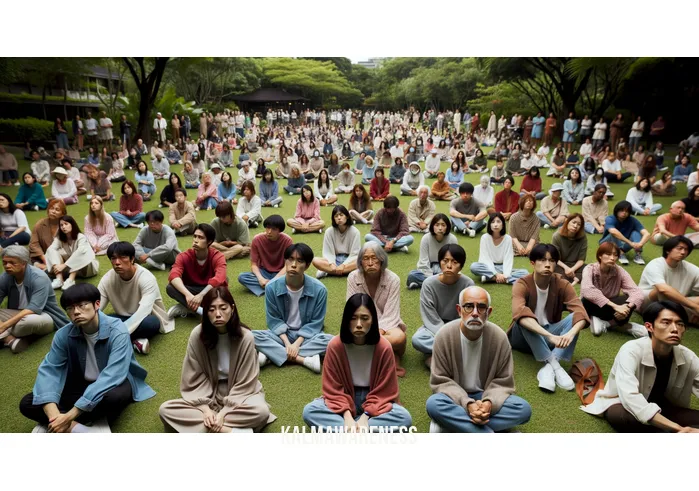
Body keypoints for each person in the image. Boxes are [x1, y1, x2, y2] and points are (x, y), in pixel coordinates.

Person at [19, 283, 156, 433]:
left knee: (113, 398)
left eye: (81, 305)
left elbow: (113, 375)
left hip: (113, 384)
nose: (76, 312)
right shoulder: (63, 335)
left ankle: (68, 423)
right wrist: (55, 416)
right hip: (80, 385)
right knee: (27, 403)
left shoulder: (118, 331)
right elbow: (50, 371)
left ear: (97, 304)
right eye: (70, 308)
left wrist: (70, 415)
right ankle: (77, 429)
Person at [158, 287, 275, 433]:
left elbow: (246, 382)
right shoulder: (197, 335)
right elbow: (194, 378)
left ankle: (207, 428)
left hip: (241, 394)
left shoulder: (246, 337)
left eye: (223, 308)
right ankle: (231, 431)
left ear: (232, 309)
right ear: (206, 312)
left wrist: (223, 413)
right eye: (211, 309)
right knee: (166, 410)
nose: (217, 314)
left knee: (261, 411)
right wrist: (206, 410)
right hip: (208, 393)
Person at [425, 286, 532, 433]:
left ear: (488, 312)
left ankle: (453, 425)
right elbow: (441, 381)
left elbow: (504, 380)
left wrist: (489, 403)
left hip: (486, 396)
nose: (475, 313)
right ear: (459, 310)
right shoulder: (444, 336)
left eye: (481, 307)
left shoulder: (499, 338)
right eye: (468, 306)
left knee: (523, 410)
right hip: (454, 398)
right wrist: (467, 404)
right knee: (433, 404)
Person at [581, 300, 699, 433]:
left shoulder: (688, 357)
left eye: (680, 324)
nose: (675, 329)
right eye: (666, 323)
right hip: (623, 405)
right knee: (627, 419)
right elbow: (630, 398)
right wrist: (678, 428)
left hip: (664, 409)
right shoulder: (631, 350)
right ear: (649, 327)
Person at [302, 294, 412, 432]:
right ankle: (359, 430)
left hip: (374, 397)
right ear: (346, 320)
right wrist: (347, 416)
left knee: (404, 417)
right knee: (310, 411)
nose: (359, 324)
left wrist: (366, 416)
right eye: (353, 318)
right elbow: (333, 390)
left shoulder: (384, 347)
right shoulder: (335, 345)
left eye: (365, 318)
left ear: (372, 320)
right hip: (344, 397)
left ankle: (349, 431)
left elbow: (385, 391)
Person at [508, 244, 589, 393]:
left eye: (551, 261)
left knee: (574, 317)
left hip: (550, 336)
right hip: (523, 339)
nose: (547, 264)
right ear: (532, 263)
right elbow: (518, 313)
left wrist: (570, 334)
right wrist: (549, 336)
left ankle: (549, 368)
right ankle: (554, 364)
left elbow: (580, 312)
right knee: (523, 318)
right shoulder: (522, 284)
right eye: (542, 260)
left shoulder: (562, 284)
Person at [254, 243, 333, 374]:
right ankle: (303, 360)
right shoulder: (271, 287)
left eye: (300, 261)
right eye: (290, 259)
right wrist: (287, 344)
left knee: (332, 341)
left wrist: (296, 345)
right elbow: (274, 320)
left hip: (307, 336)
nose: (294, 264)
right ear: (285, 261)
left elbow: (316, 323)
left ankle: (270, 354)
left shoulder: (320, 290)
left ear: (307, 266)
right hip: (280, 335)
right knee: (250, 336)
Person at [99, 242, 174, 355]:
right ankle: (137, 340)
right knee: (101, 320)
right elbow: (97, 306)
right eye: (113, 258)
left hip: (145, 317)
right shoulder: (108, 278)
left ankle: (114, 340)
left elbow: (143, 312)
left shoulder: (146, 278)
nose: (117, 263)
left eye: (122, 257)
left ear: (132, 259)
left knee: (152, 323)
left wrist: (119, 332)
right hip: (122, 317)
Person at [347, 243, 408, 376]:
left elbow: (391, 314)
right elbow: (352, 308)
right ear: (360, 262)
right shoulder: (353, 277)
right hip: (361, 323)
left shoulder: (393, 279)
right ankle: (390, 357)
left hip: (387, 326)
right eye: (365, 258)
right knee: (340, 340)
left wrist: (377, 332)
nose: (370, 263)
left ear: (381, 259)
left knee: (399, 338)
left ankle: (366, 356)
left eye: (374, 258)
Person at [412, 244, 475, 364]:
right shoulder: (428, 284)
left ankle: (436, 357)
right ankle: (456, 354)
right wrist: (446, 336)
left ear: (461, 265)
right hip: (433, 327)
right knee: (418, 340)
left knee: (478, 336)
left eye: (455, 262)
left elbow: (469, 314)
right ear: (439, 262)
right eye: (445, 261)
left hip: (459, 327)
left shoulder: (468, 284)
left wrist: (455, 333)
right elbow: (429, 315)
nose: (449, 266)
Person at [0, 246, 69, 354]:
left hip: (43, 315)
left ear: (24, 263)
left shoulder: (39, 277)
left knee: (23, 324)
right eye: (4, 263)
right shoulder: (5, 277)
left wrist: (4, 325)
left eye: (12, 263)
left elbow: (33, 308)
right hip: (17, 314)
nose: (7, 266)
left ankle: (5, 335)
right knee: (18, 324)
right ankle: (10, 340)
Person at [581, 242, 646, 338]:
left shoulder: (620, 271)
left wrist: (627, 308)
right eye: (608, 254)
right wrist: (616, 306)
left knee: (629, 299)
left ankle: (605, 324)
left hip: (610, 310)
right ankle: (615, 325)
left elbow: (637, 292)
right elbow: (587, 290)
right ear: (600, 256)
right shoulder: (590, 268)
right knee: (586, 298)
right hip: (592, 306)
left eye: (615, 255)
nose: (612, 258)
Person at [166, 224, 227, 319]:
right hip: (191, 289)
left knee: (222, 286)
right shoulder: (183, 256)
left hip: (209, 290)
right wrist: (188, 295)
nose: (196, 240)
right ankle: (201, 311)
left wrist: (201, 295)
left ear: (209, 242)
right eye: (194, 236)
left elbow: (220, 277)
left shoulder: (218, 256)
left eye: (201, 237)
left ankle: (187, 307)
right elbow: (173, 275)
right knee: (170, 287)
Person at [638, 236, 699, 323]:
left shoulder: (690, 268)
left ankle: (683, 315)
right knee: (661, 291)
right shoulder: (656, 264)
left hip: (677, 303)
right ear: (668, 250)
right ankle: (687, 316)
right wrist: (694, 307)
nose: (683, 252)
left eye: (686, 249)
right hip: (648, 302)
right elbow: (663, 290)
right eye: (680, 248)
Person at [237, 215, 293, 297]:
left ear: (279, 230)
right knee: (242, 277)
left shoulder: (287, 240)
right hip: (263, 272)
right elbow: (254, 264)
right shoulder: (257, 239)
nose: (269, 231)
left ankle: (269, 286)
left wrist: (274, 280)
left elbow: (287, 265)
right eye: (267, 228)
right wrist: (260, 279)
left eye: (273, 229)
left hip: (280, 272)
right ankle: (274, 288)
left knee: (295, 277)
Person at [470, 213, 528, 285]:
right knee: (474, 266)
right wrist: (496, 274)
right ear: (489, 225)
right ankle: (504, 279)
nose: (495, 224)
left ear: (503, 225)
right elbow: (485, 258)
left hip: (502, 267)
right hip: (488, 266)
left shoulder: (508, 238)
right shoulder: (485, 237)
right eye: (493, 222)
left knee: (525, 273)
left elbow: (508, 258)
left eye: (498, 222)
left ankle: (490, 278)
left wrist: (506, 274)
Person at [45, 215, 98, 291]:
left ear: (72, 224)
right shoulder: (60, 238)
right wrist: (57, 265)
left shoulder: (81, 237)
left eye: (66, 224)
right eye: (61, 225)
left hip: (86, 269)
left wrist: (64, 265)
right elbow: (51, 249)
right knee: (51, 250)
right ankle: (59, 279)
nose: (63, 227)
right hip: (69, 269)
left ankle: (71, 280)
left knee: (80, 252)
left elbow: (81, 252)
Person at [406, 213, 458, 289]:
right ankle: (438, 284)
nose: (440, 228)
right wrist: (431, 276)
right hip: (428, 268)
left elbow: (454, 261)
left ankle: (424, 284)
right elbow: (423, 261)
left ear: (447, 227)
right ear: (432, 226)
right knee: (412, 275)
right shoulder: (426, 238)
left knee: (456, 278)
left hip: (444, 269)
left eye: (443, 225)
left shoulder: (452, 239)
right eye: (437, 225)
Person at [313, 205, 360, 279]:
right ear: (333, 219)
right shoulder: (329, 231)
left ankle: (330, 271)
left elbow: (355, 254)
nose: (339, 218)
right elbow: (328, 252)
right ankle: (345, 272)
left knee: (361, 261)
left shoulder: (355, 232)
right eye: (336, 216)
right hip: (334, 260)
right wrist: (332, 263)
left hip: (349, 260)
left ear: (347, 216)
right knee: (315, 260)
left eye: (341, 215)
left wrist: (343, 265)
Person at [599, 200, 651, 265]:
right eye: (621, 211)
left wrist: (640, 244)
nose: (624, 213)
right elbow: (613, 231)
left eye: (626, 211)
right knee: (614, 233)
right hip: (607, 244)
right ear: (617, 211)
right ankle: (620, 254)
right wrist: (630, 242)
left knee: (636, 233)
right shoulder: (610, 218)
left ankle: (638, 255)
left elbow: (647, 234)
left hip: (624, 245)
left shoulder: (632, 220)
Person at [551, 214, 587, 285]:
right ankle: (576, 278)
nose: (575, 226)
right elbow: (555, 258)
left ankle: (570, 279)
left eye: (579, 224)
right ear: (567, 222)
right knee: (551, 267)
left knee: (589, 269)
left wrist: (572, 270)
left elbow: (581, 260)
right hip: (561, 265)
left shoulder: (582, 237)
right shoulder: (557, 236)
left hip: (575, 266)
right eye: (573, 222)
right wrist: (566, 268)